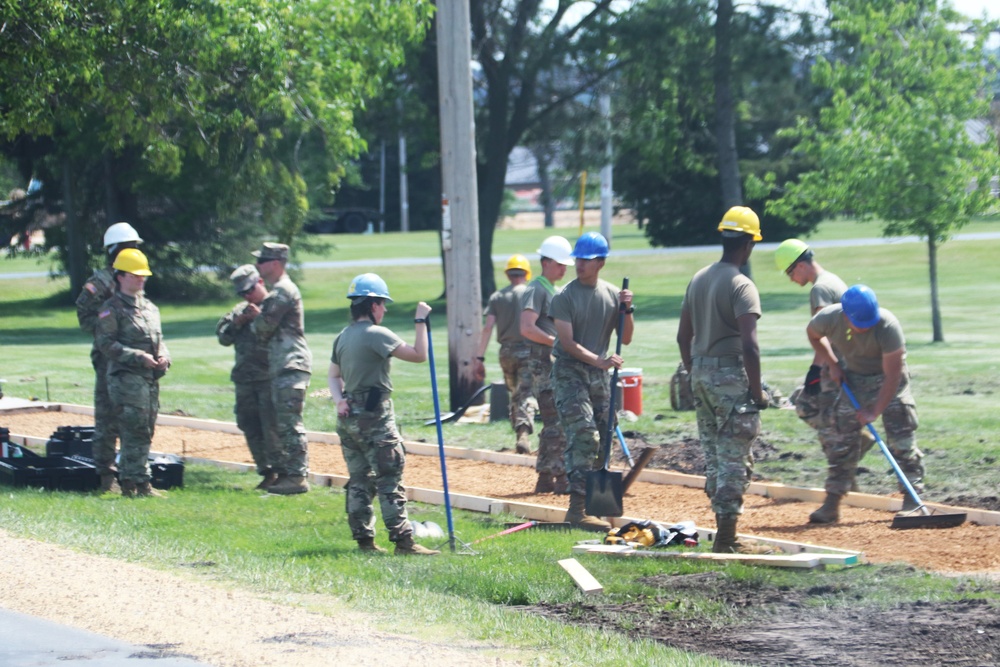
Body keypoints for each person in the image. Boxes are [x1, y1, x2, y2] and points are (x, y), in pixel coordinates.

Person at [676, 206, 768, 553]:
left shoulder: (699, 278)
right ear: (749, 245)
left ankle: (723, 528)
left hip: (699, 372)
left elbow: (682, 338)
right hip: (730, 377)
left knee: (715, 453)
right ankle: (726, 539)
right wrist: (757, 393)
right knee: (733, 456)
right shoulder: (742, 286)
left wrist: (694, 371)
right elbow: (750, 346)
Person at [328, 273, 440, 556]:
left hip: (349, 417)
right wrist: (420, 321)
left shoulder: (343, 335)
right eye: (383, 304)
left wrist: (339, 400)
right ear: (373, 305)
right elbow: (418, 355)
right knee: (389, 478)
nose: (386, 310)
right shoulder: (378, 334)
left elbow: (333, 375)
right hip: (375, 417)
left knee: (359, 481)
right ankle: (404, 543)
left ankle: (365, 542)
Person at [806, 284, 924, 522]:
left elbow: (893, 375)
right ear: (846, 315)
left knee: (902, 440)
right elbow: (813, 334)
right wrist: (832, 362)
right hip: (855, 380)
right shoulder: (829, 318)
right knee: (841, 441)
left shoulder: (887, 325)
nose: (864, 328)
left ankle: (913, 500)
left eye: (868, 322)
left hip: (889, 381)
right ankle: (831, 504)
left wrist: (875, 411)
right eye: (859, 323)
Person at [775, 239, 872, 522]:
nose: (792, 280)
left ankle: (851, 453)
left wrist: (815, 373)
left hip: (835, 366)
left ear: (802, 265)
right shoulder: (834, 280)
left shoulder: (819, 289)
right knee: (831, 421)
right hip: (849, 360)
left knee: (812, 410)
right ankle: (848, 469)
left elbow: (823, 334)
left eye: (791, 272)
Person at [550, 232, 633, 532]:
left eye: (586, 260)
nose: (579, 265)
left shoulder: (611, 294)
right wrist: (600, 360)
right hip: (570, 371)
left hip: (598, 375)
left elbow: (625, 337)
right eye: (577, 260)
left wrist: (627, 310)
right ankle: (576, 510)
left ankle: (596, 508)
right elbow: (568, 343)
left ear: (601, 262)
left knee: (604, 433)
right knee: (585, 434)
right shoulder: (564, 297)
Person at [94, 248, 170, 497]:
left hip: (149, 379)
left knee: (146, 427)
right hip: (126, 378)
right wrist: (138, 356)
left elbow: (159, 339)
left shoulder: (150, 308)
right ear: (121, 277)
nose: (141, 279)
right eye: (135, 275)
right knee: (132, 428)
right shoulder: (111, 309)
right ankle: (130, 483)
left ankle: (142, 481)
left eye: (143, 275)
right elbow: (106, 344)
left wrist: (164, 357)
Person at [75, 222, 144, 493]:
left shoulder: (134, 278)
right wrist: (107, 329)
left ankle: (134, 473)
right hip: (108, 356)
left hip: (134, 356)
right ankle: (106, 475)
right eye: (128, 247)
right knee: (107, 415)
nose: (132, 251)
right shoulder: (101, 282)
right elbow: (84, 317)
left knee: (135, 414)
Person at [251, 242, 313, 495]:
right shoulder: (279, 290)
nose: (258, 266)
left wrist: (255, 316)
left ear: (275, 263)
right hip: (284, 364)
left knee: (290, 422)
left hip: (291, 364)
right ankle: (289, 474)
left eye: (262, 261)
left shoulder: (282, 292)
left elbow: (262, 328)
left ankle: (297, 477)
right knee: (283, 421)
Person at [217, 265, 281, 490]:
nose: (247, 296)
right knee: (248, 423)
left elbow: (286, 333)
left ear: (260, 282)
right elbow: (223, 338)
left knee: (271, 424)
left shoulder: (275, 305)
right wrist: (237, 323)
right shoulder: (240, 310)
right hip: (245, 378)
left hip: (269, 377)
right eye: (242, 293)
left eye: (250, 290)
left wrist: (260, 318)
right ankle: (266, 470)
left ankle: (281, 471)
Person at [519, 236, 574, 493]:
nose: (564, 269)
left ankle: (544, 476)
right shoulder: (536, 289)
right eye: (560, 264)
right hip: (544, 365)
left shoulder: (550, 289)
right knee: (556, 421)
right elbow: (527, 328)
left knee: (554, 420)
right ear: (546, 262)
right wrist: (556, 342)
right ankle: (560, 476)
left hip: (551, 363)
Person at [476, 254, 536, 454]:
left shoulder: (497, 297)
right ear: (526, 274)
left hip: (506, 353)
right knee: (525, 393)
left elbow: (488, 327)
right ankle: (523, 433)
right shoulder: (532, 294)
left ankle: (519, 433)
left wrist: (479, 357)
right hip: (528, 350)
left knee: (515, 393)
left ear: (508, 274)